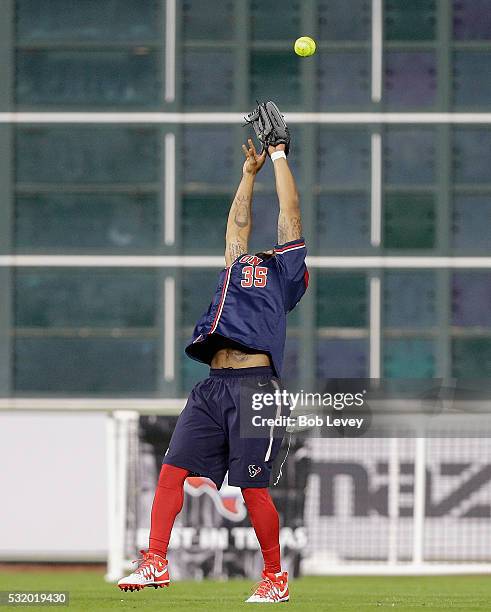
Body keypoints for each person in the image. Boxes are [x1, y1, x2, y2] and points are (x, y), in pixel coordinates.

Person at [118, 135, 308, 604]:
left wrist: (281, 153)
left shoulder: (285, 277)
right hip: (213, 386)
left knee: (253, 491)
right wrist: (249, 173)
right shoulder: (237, 265)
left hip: (254, 389)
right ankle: (156, 561)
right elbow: (237, 225)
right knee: (171, 470)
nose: (257, 248)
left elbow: (290, 214)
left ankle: (274, 577)